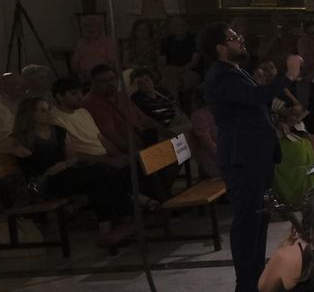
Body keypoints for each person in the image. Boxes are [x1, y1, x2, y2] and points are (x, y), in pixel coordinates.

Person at [201, 22, 296, 292]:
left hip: (255, 156)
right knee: (247, 224)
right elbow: (256, 97)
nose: (240, 39)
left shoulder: (235, 71)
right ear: (221, 47)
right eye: (233, 37)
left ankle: (260, 282)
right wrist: (289, 76)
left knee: (260, 220)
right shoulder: (220, 76)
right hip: (242, 159)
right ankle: (245, 289)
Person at [11, 96, 136, 249]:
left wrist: (64, 164)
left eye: (48, 109)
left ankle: (107, 232)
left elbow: (73, 157)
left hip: (65, 173)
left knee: (99, 184)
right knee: (102, 171)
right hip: (45, 182)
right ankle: (129, 209)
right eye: (43, 111)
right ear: (30, 115)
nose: (49, 113)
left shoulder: (58, 131)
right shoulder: (23, 138)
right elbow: (30, 167)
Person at [84, 63, 160, 155]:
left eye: (112, 79)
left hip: (146, 142)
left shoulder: (121, 95)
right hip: (129, 154)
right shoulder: (92, 104)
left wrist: (167, 134)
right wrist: (138, 154)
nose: (110, 83)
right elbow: (111, 136)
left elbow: (144, 118)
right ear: (93, 83)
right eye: (103, 81)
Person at [270, 101, 314, 208]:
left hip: (283, 130)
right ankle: (297, 193)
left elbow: (289, 108)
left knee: (311, 140)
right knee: (299, 148)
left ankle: (309, 186)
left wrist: (291, 117)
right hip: (273, 135)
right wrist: (279, 122)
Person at [129, 68, 189, 135]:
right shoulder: (137, 99)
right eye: (140, 83)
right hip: (164, 131)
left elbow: (177, 107)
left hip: (179, 122)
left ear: (152, 80)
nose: (145, 84)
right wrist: (133, 88)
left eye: (147, 80)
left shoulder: (162, 92)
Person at [69, 13, 118, 81]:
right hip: (85, 75)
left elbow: (113, 63)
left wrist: (99, 73)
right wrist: (81, 72)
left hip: (102, 75)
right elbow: (74, 63)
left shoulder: (107, 41)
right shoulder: (81, 42)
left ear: (99, 27)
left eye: (93, 25)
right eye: (87, 26)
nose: (90, 28)